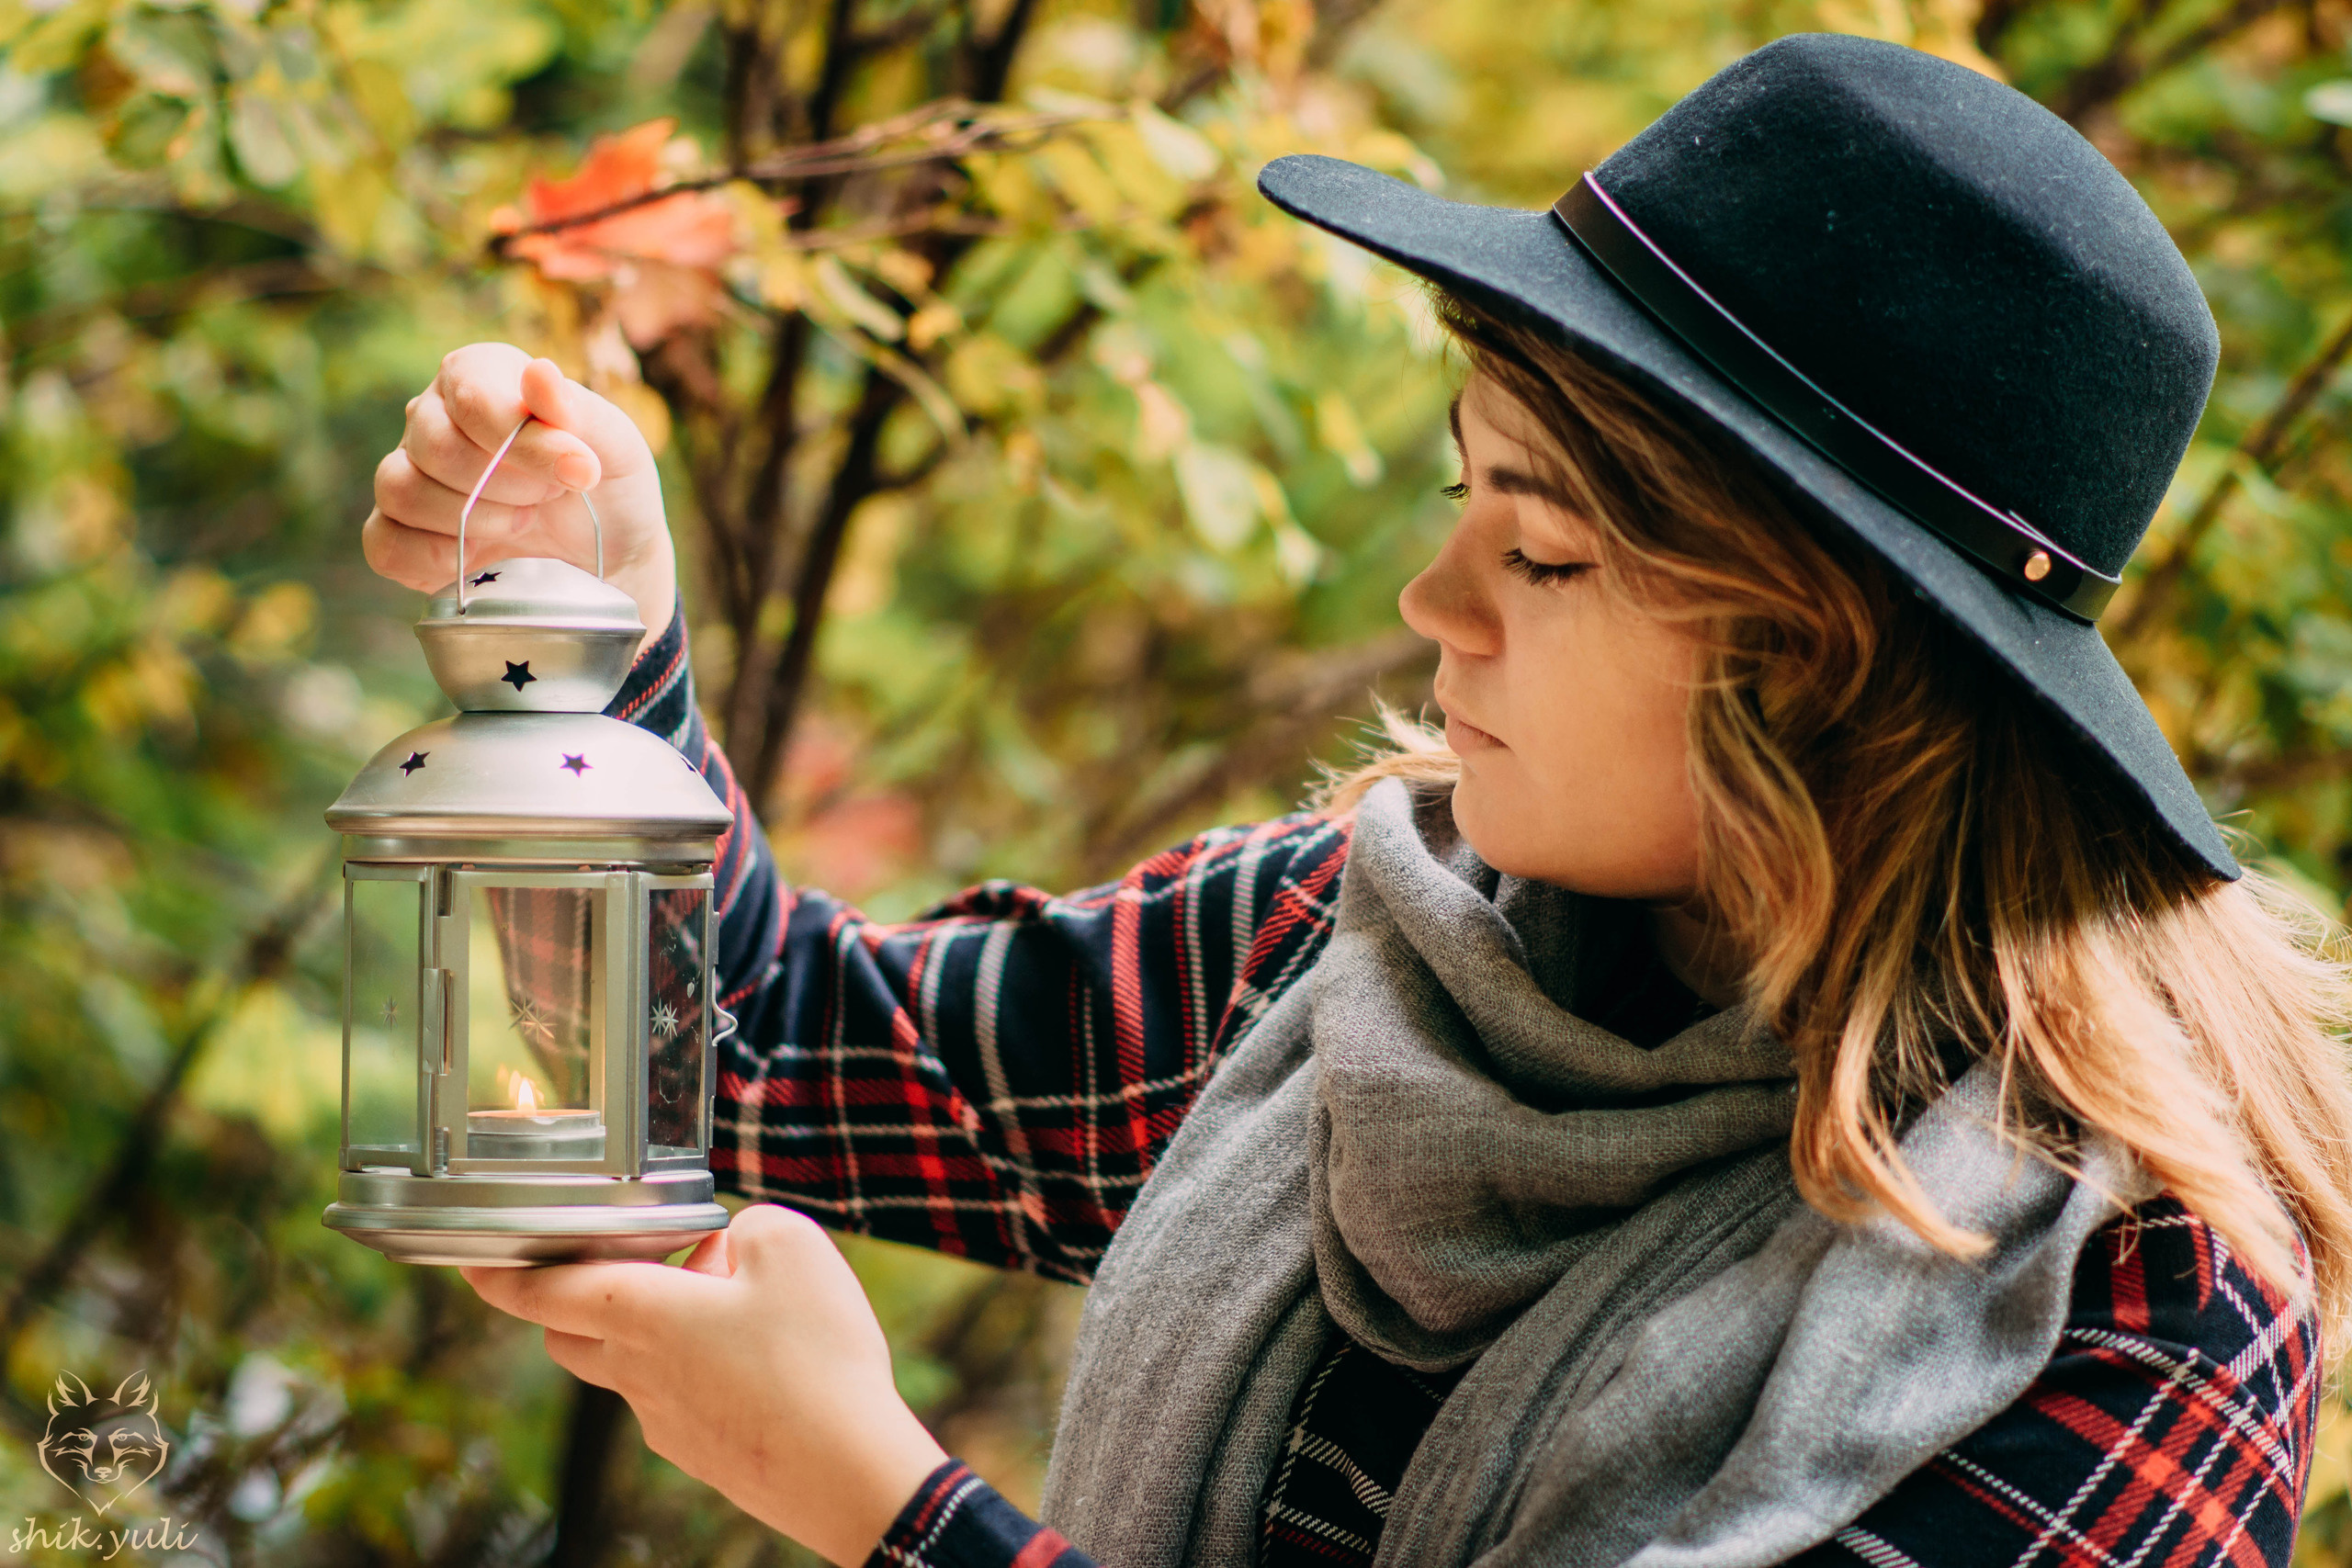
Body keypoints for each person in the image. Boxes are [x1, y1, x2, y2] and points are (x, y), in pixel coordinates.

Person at [362, 33, 2352, 1568]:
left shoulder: (2142, 1294)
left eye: (1543, 551)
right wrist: (583, 634)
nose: (1432, 609)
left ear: (1815, 665)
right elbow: (762, 1060)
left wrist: (898, 1512)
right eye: (1454, 494)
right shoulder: (1391, 943)